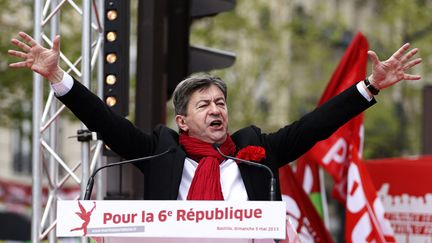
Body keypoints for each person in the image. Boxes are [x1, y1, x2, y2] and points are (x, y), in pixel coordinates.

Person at [8, 32, 422, 201]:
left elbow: (316, 125)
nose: (216, 109)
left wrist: (370, 86)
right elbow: (105, 121)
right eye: (204, 104)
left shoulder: (255, 150)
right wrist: (59, 77)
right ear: (183, 121)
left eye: (220, 102)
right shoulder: (159, 150)